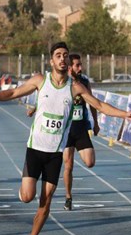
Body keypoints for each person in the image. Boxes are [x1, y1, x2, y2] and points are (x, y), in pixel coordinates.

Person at [0, 42, 131, 235]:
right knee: (27, 197)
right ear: (51, 60)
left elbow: (99, 105)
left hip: (55, 154)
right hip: (35, 150)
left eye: (65, 56)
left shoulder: (75, 87)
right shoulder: (40, 81)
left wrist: (125, 115)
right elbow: (13, 92)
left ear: (68, 62)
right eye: (58, 55)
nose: (62, 59)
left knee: (46, 200)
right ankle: (23, 191)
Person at [27, 54, 100, 211]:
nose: (80, 68)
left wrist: (96, 123)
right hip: (64, 130)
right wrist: (34, 108)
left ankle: (66, 193)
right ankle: (68, 197)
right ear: (69, 67)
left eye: (81, 65)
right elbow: (48, 100)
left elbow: (94, 104)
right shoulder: (61, 82)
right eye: (77, 65)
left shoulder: (83, 83)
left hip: (80, 128)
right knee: (69, 165)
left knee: (90, 161)